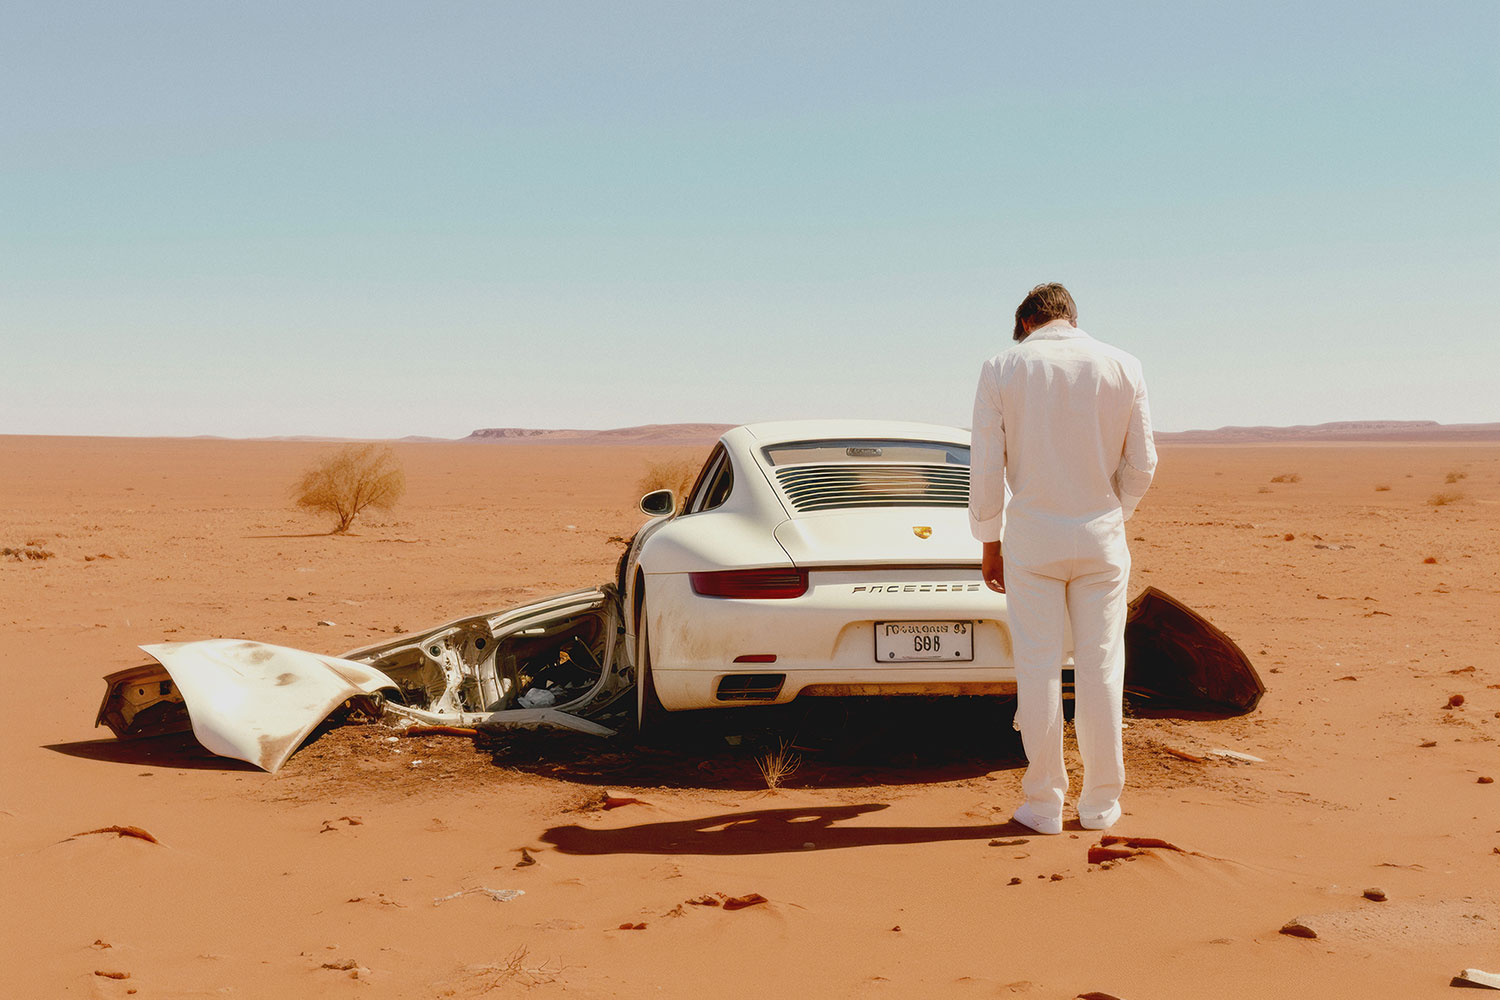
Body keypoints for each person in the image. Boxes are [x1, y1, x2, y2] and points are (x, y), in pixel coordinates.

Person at [968, 282, 1156, 834]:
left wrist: (989, 541)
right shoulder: (1124, 365)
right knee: (1101, 668)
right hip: (1100, 538)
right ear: (1071, 317)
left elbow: (986, 466)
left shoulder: (1001, 368)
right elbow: (1143, 463)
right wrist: (1112, 511)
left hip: (1033, 541)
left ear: (1027, 323)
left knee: (1038, 667)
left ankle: (1045, 804)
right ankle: (1099, 805)